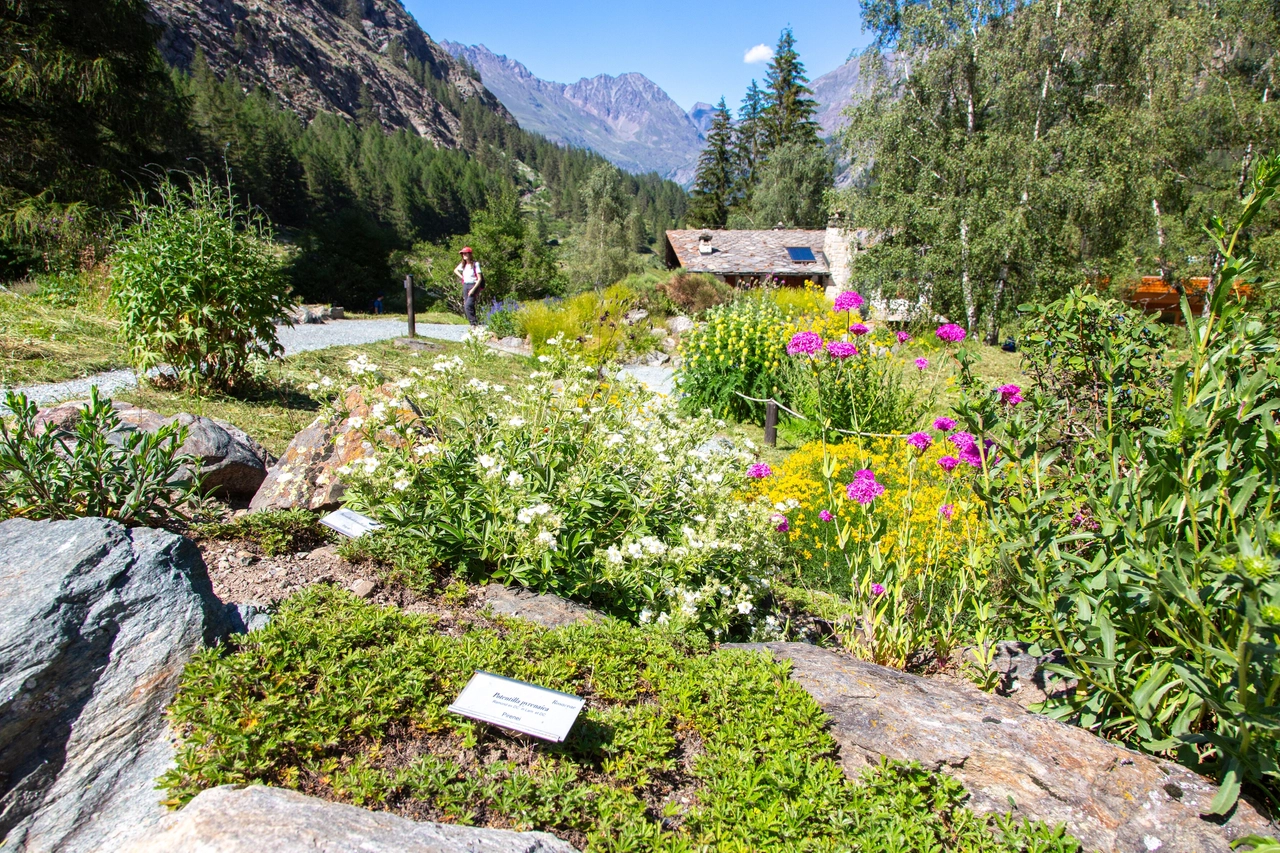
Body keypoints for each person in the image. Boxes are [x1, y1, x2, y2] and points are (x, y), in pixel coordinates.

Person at [454, 246, 484, 325]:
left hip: (473, 285)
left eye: (465, 253)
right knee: (469, 305)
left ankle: (473, 323)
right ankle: (475, 323)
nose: (464, 255)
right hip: (465, 285)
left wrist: (473, 290)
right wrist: (462, 277)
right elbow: (455, 270)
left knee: (468, 305)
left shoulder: (475, 264)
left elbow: (479, 279)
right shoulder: (463, 264)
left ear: (470, 254)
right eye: (463, 254)